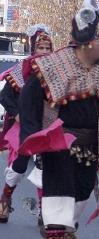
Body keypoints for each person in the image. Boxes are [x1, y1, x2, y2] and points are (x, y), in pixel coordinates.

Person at [17, 0, 99, 239]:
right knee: (60, 191)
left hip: (92, 145)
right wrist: (31, 135)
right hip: (59, 142)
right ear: (86, 42)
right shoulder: (55, 65)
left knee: (81, 194)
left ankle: (67, 232)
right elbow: (29, 96)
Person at [0, 24, 53, 223]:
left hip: (48, 127)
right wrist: (18, 114)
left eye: (48, 49)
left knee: (45, 167)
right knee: (20, 166)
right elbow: (5, 96)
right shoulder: (21, 71)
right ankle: (5, 199)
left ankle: (43, 211)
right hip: (26, 127)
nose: (45, 52)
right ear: (33, 49)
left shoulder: (56, 72)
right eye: (41, 48)